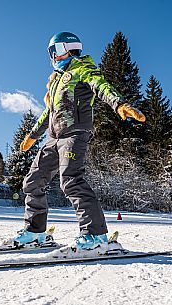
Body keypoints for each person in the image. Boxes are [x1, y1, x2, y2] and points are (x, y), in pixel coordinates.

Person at [14, 32, 146, 253]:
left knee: (71, 181)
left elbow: (101, 86)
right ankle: (35, 232)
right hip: (53, 139)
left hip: (74, 135)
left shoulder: (83, 69)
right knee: (32, 182)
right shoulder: (57, 80)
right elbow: (49, 112)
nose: (53, 57)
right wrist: (32, 135)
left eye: (54, 51)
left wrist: (119, 104)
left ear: (67, 48)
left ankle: (95, 235)